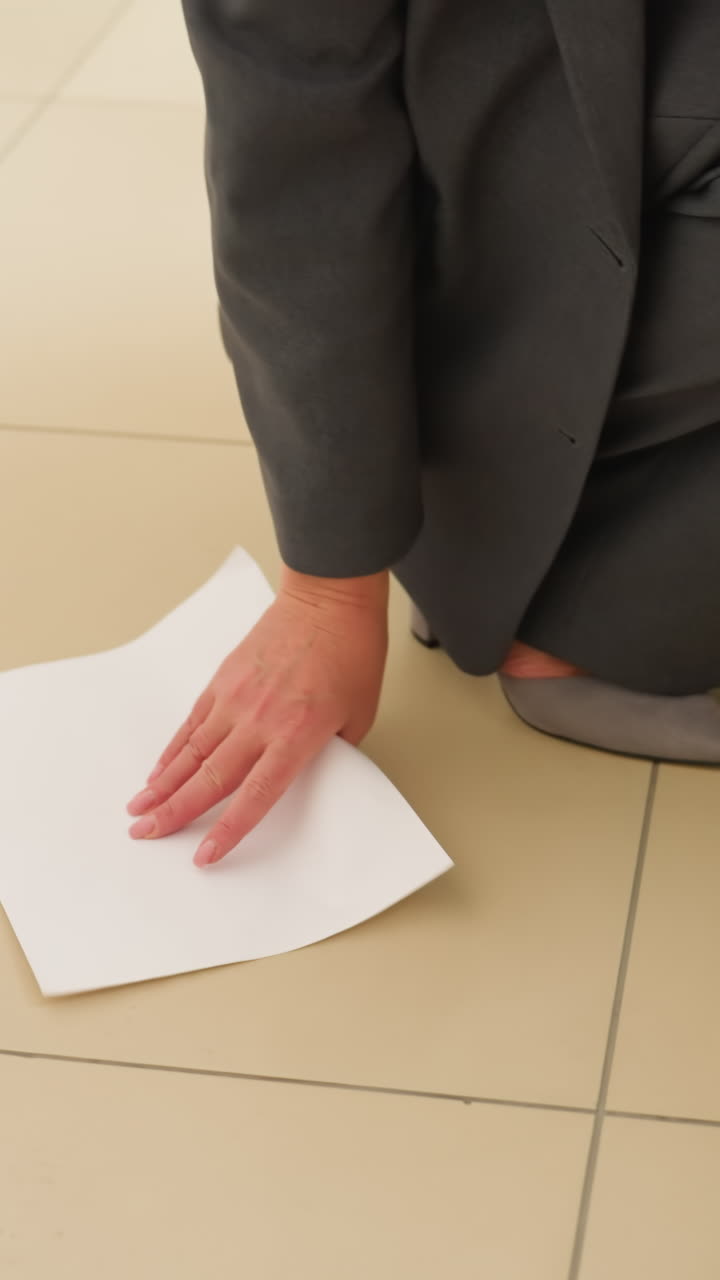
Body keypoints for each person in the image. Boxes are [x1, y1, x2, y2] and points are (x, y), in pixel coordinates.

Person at [127, 1, 720, 866]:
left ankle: (543, 554)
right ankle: (581, 617)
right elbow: (294, 142)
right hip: (554, 200)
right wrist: (328, 590)